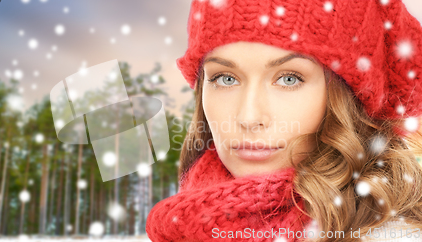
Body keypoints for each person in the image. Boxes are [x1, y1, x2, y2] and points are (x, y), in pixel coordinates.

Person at [146, 0, 422, 241]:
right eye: (225, 78)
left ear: (349, 97)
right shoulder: (183, 225)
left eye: (289, 79)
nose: (249, 117)